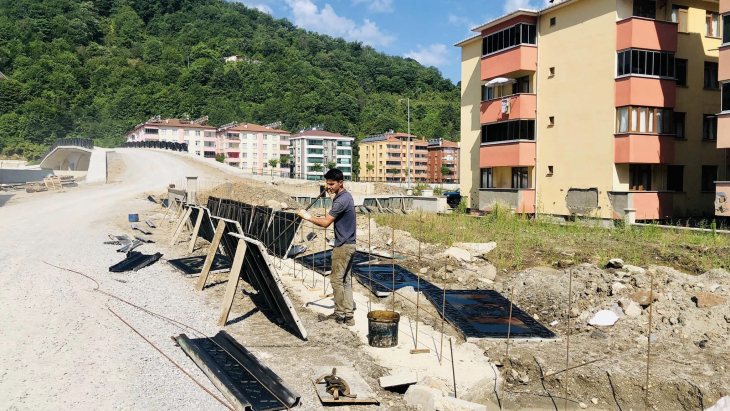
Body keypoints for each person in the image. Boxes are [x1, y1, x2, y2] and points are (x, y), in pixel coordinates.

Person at [298, 169, 357, 326]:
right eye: (327, 184)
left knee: (336, 280)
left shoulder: (341, 201)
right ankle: (349, 316)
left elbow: (325, 223)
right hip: (350, 244)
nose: (329, 186)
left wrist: (307, 217)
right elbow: (336, 202)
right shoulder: (345, 196)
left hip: (343, 246)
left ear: (340, 182)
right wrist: (331, 193)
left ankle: (339, 315)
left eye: (332, 184)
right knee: (345, 281)